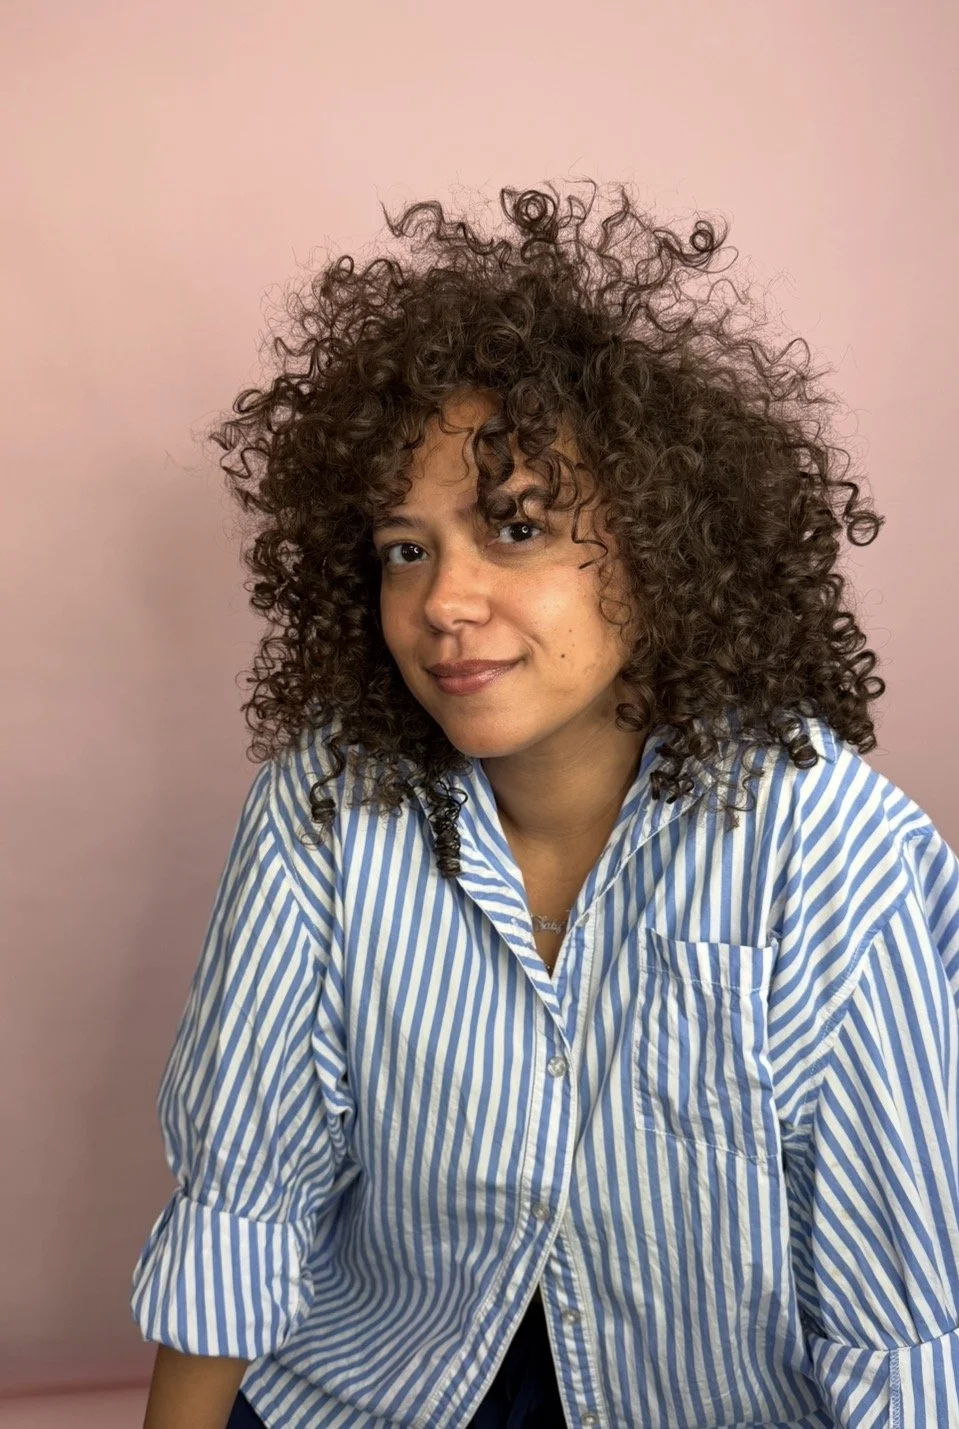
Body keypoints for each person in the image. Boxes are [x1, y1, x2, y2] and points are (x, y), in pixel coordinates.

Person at [131, 180, 959, 1429]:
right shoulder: (326, 803)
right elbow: (244, 1196)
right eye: (405, 549)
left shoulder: (832, 852)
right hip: (370, 1391)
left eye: (512, 528)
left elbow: (894, 1321)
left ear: (665, 547)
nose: (442, 603)